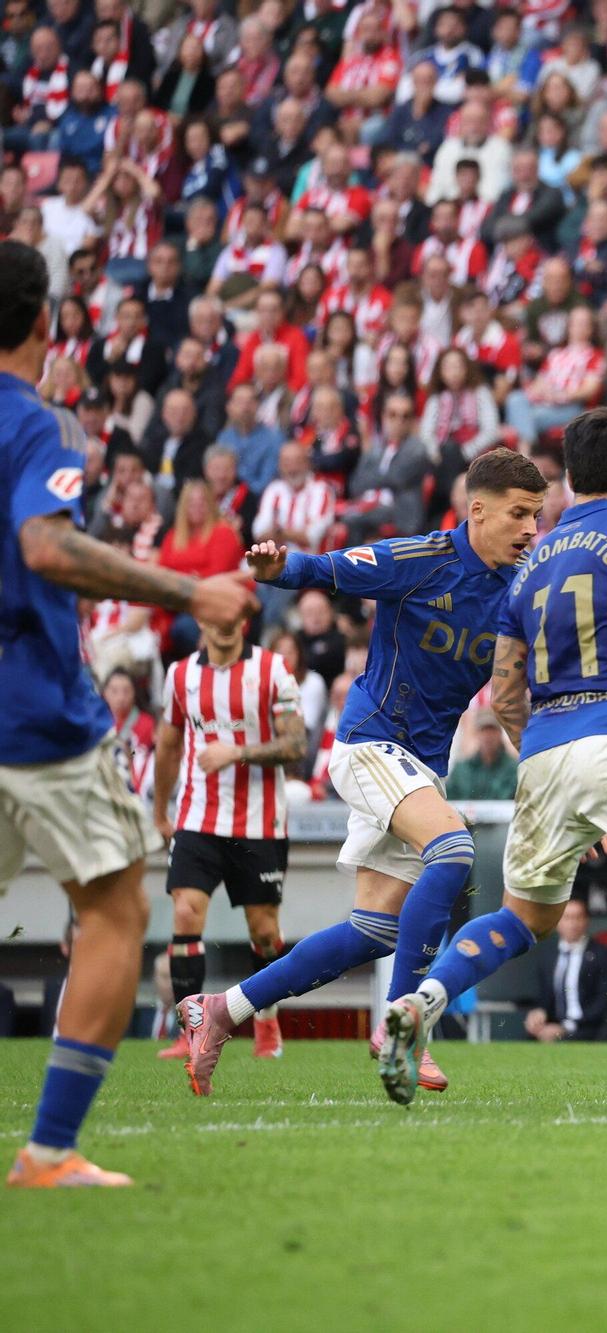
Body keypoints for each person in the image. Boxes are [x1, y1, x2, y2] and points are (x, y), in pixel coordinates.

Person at [378, 407, 607, 1116]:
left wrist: (559, 767)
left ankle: (422, 1000)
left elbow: (505, 692)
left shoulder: (531, 563)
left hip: (545, 753)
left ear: (570, 476)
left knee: (524, 917)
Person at [1, 239, 257, 1189]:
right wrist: (188, 590)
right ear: (45, 321)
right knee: (114, 907)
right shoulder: (42, 425)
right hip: (29, 711)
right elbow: (46, 547)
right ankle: (49, 1150)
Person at [177, 449, 550, 1098]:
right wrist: (279, 567)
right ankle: (404, 1025)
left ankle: (223, 1009)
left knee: (373, 931)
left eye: (537, 516)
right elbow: (331, 568)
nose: (530, 529)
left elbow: (515, 702)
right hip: (371, 744)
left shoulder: (518, 593)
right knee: (454, 849)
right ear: (477, 510)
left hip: (419, 768)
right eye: (519, 513)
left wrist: (554, 781)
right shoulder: (422, 559)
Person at [151, 612, 305, 1066]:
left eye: (233, 614)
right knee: (185, 912)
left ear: (244, 621)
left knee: (264, 931)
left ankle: (267, 1019)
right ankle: (191, 1033)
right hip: (197, 817)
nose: (224, 622)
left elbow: (296, 746)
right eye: (216, 614)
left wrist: (236, 752)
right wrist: (160, 811)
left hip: (259, 823)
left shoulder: (272, 669)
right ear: (201, 620)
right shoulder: (180, 675)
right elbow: (168, 744)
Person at [523, 900, 607, 1042]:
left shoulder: (603, 954)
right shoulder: (548, 956)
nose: (573, 924)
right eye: (567, 918)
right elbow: (544, 997)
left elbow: (605, 1000)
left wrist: (566, 1027)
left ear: (586, 921)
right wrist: (539, 1012)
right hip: (554, 1026)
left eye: (578, 917)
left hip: (589, 1028)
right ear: (556, 922)